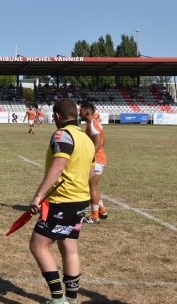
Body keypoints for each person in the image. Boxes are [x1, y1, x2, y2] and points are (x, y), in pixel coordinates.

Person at [28, 98, 95, 304]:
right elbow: (91, 172)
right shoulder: (86, 139)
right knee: (69, 248)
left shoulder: (62, 134)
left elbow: (58, 166)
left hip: (62, 201)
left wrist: (39, 195)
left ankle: (58, 299)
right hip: (81, 200)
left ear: (57, 116)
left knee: (38, 246)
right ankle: (72, 299)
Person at [79, 102, 108, 224]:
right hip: (98, 158)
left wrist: (89, 156)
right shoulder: (93, 123)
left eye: (81, 112)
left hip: (96, 159)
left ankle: (95, 216)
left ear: (87, 112)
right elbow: (102, 141)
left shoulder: (92, 124)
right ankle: (101, 210)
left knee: (92, 187)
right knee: (93, 186)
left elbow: (98, 143)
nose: (79, 113)